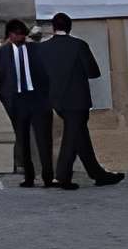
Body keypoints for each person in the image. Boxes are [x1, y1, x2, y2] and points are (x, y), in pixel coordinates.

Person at [36, 13, 122, 188]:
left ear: (53, 28)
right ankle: (62, 176)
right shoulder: (78, 45)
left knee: (79, 135)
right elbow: (93, 72)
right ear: (69, 27)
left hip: (56, 100)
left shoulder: (42, 48)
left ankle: (98, 174)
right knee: (72, 135)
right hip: (77, 99)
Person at [0, 18, 52, 186]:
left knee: (43, 138)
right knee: (22, 139)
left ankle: (47, 175)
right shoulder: (2, 53)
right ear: (10, 35)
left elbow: (46, 74)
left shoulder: (35, 49)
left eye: (23, 34)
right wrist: (8, 102)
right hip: (18, 100)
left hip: (37, 98)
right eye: (17, 34)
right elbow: (0, 79)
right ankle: (29, 176)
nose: (21, 37)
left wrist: (46, 98)